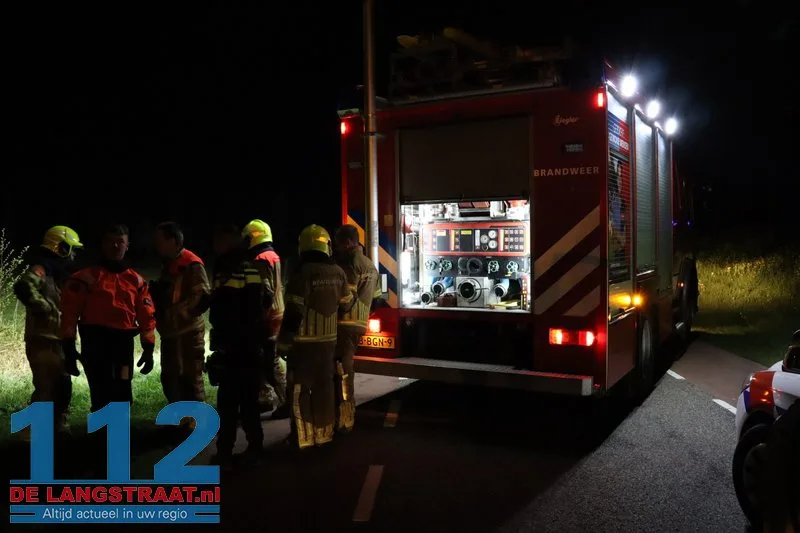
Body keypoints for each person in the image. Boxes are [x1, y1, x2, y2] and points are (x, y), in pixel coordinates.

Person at [60, 224, 157, 413]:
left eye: (120, 242)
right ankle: (100, 438)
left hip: (122, 345)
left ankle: (118, 439)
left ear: (127, 245)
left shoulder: (136, 281)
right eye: (111, 242)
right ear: (103, 244)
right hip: (95, 343)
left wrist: (148, 348)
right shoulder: (84, 278)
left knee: (122, 391)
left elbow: (147, 316)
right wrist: (69, 348)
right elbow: (69, 314)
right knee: (100, 393)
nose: (116, 246)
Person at [276, 224, 354, 449]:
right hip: (328, 344)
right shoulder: (338, 272)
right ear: (326, 246)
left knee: (300, 391)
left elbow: (293, 313)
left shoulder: (301, 274)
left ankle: (302, 439)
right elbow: (347, 304)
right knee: (325, 390)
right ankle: (324, 435)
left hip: (303, 346)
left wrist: (283, 344)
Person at [13, 226, 83, 437]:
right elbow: (24, 287)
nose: (73, 255)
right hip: (42, 340)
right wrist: (45, 307)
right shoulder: (41, 269)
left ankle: (58, 427)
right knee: (46, 388)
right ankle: (28, 432)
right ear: (60, 248)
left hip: (58, 340)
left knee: (63, 386)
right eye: (71, 249)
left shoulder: (58, 274)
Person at [207, 223, 267, 467]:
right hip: (251, 344)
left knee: (229, 402)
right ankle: (256, 446)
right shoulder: (251, 264)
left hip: (235, 345)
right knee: (249, 401)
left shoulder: (228, 265)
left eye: (217, 240)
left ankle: (225, 451)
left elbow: (225, 304)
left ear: (227, 240)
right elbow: (263, 300)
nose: (214, 245)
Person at [151, 221, 210, 433]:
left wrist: (177, 312)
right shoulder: (168, 264)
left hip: (187, 334)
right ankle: (181, 418)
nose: (155, 245)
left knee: (190, 377)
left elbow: (202, 297)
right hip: (170, 334)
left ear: (173, 241)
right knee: (169, 376)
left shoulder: (192, 264)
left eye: (159, 241)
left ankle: (199, 421)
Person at [333, 224, 380, 433]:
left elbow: (346, 299)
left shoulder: (350, 262)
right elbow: (377, 299)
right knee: (344, 370)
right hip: (358, 323)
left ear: (348, 243)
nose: (337, 249)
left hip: (345, 324)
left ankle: (345, 418)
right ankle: (344, 417)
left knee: (343, 372)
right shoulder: (370, 264)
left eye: (339, 244)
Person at [242, 219, 287, 418]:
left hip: (267, 318)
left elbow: (264, 291)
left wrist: (256, 316)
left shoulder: (260, 259)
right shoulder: (273, 256)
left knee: (270, 362)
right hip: (278, 314)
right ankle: (266, 398)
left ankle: (284, 401)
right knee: (265, 360)